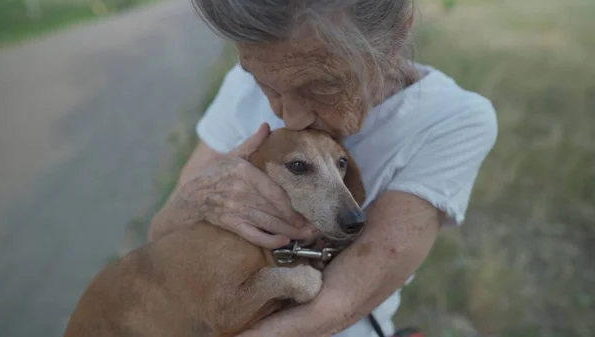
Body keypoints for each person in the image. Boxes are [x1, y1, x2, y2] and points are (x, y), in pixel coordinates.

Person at [148, 1, 498, 336]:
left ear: (395, 38)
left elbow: (336, 305)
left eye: (322, 85)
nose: (290, 117)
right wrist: (199, 199)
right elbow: (161, 237)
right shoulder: (252, 76)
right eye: (265, 85)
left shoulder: (451, 120)